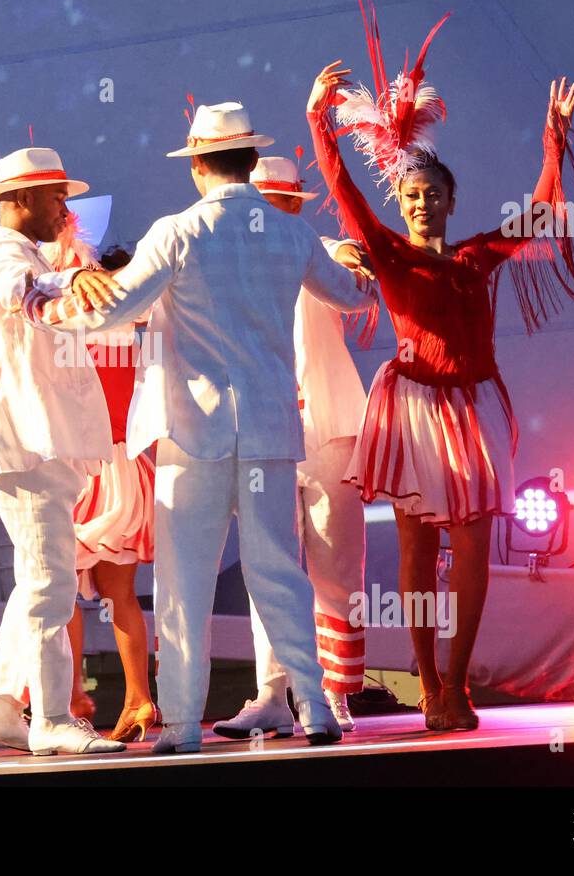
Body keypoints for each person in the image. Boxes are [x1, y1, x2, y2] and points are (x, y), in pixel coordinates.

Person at [27, 102, 377, 753]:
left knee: (184, 583)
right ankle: (316, 711)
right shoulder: (288, 231)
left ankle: (184, 724)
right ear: (249, 160)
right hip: (272, 430)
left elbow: (116, 309)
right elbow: (353, 294)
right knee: (279, 575)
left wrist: (50, 309)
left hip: (194, 433)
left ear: (196, 165)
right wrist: (363, 263)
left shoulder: (177, 231)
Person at [306, 0, 574, 730]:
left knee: (468, 546)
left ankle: (456, 685)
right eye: (411, 194)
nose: (423, 202)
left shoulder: (473, 255)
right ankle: (427, 681)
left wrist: (553, 140)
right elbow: (343, 195)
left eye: (434, 194)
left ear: (452, 200)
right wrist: (318, 122)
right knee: (413, 550)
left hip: (471, 406)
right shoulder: (390, 252)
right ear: (399, 203)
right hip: (409, 407)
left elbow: (544, 212)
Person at [0, 146, 127, 756]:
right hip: (28, 445)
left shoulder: (29, 255)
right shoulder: (4, 253)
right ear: (23, 199)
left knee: (36, 581)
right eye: (57, 195)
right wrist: (68, 279)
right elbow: (23, 290)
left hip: (36, 442)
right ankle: (53, 717)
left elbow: (47, 300)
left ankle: (0, 709)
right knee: (49, 585)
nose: (66, 207)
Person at [214, 155, 371, 739]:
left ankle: (335, 691)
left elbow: (353, 276)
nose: (263, 214)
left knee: (336, 564)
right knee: (272, 567)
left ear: (292, 207)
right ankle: (273, 693)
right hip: (266, 430)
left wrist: (358, 259)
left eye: (277, 203)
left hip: (328, 428)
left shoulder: (317, 248)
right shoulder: (229, 261)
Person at [43, 225, 159, 742]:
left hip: (92, 467)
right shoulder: (139, 323)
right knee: (119, 596)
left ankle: (70, 698)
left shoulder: (80, 323)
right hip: (119, 466)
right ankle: (137, 699)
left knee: (61, 587)